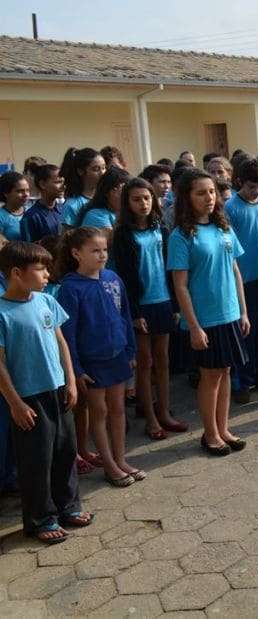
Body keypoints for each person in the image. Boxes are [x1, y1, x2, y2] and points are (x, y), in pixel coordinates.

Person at [0, 241, 92, 544]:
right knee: (37, 459)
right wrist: (14, 402)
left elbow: (61, 341)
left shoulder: (45, 301)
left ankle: (68, 506)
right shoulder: (2, 312)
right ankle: (41, 518)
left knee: (65, 450)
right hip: (28, 397)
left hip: (58, 389)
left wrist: (70, 379)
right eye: (40, 269)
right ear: (16, 272)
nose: (47, 275)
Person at [168, 169, 250, 456]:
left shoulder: (224, 228)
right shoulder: (181, 235)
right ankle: (210, 434)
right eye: (201, 193)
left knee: (225, 371)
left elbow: (235, 270)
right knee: (210, 376)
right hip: (205, 318)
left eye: (212, 191)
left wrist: (243, 311)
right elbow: (180, 285)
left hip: (229, 314)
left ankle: (224, 428)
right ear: (187, 198)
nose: (209, 198)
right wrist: (193, 326)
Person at [56, 227, 141, 488]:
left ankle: (120, 459)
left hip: (117, 354)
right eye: (95, 250)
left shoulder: (113, 278)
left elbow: (125, 315)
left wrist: (130, 350)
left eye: (104, 249)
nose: (102, 255)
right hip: (92, 361)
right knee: (99, 411)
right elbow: (67, 334)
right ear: (76, 253)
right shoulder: (70, 288)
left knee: (118, 410)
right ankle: (109, 465)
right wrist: (77, 369)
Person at [112, 178, 186, 440]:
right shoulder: (122, 234)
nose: (143, 203)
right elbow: (125, 276)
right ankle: (150, 418)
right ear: (127, 203)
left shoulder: (161, 227)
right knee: (145, 363)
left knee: (163, 360)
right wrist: (134, 313)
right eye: (136, 199)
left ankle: (164, 411)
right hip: (141, 305)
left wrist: (176, 304)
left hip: (163, 300)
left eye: (147, 198)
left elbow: (171, 268)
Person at [224, 159, 258, 402]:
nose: (256, 191)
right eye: (251, 187)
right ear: (239, 182)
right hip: (244, 280)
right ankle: (242, 381)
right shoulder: (230, 208)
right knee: (247, 332)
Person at [59, 148, 106, 230]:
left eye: (104, 168)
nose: (102, 173)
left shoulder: (107, 198)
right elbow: (66, 239)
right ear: (80, 171)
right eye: (96, 169)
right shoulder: (72, 205)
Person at [77, 168, 130, 234]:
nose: (126, 198)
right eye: (122, 193)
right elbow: (113, 241)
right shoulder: (96, 215)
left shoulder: (127, 214)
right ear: (107, 192)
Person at [0, 172, 31, 241]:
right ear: (6, 193)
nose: (26, 194)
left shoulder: (32, 211)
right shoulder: (1, 217)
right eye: (20, 191)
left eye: (28, 190)